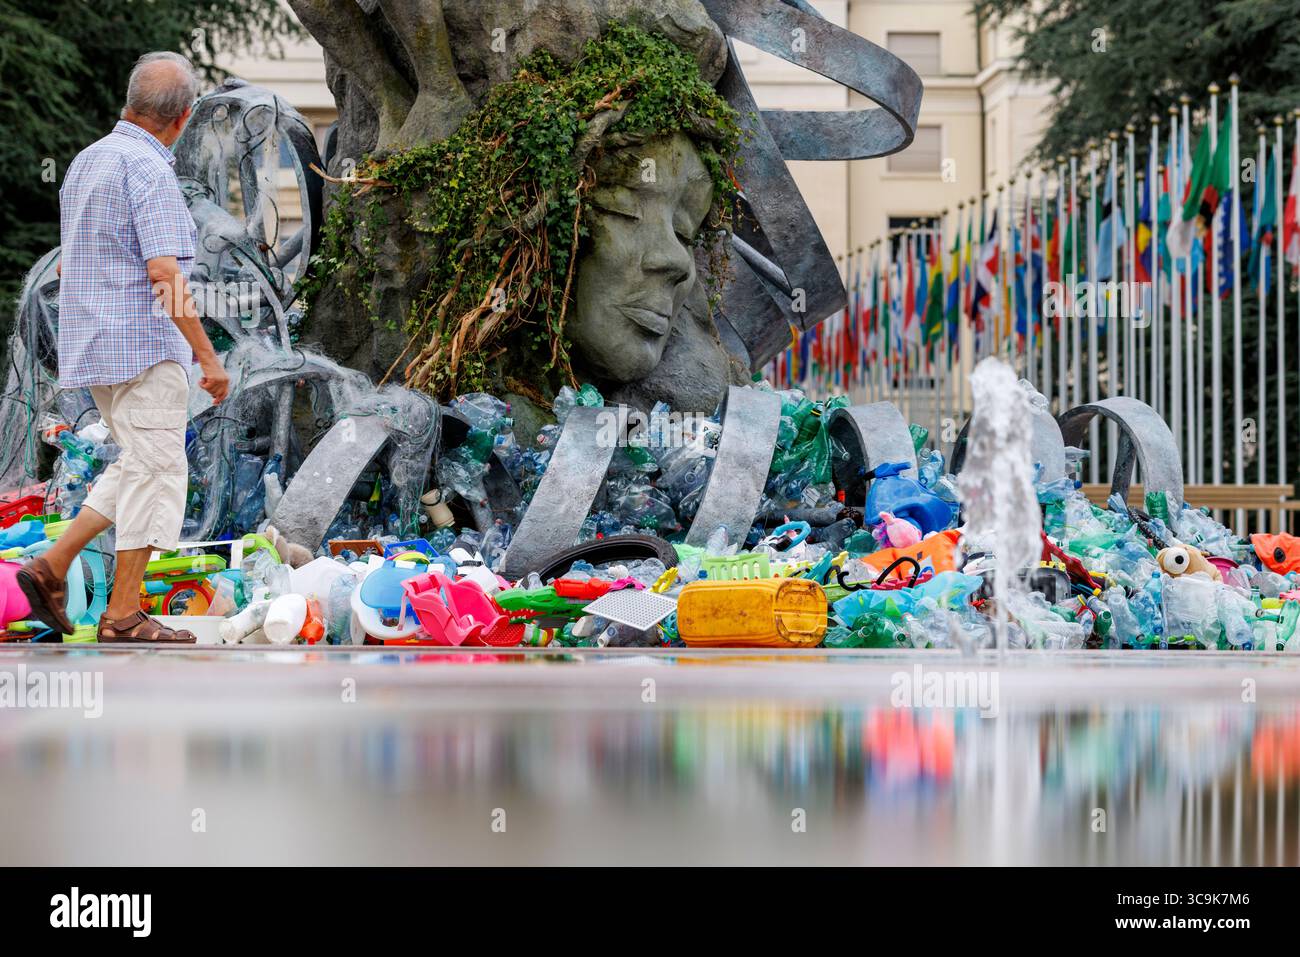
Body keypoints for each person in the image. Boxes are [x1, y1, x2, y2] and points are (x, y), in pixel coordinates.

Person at [17, 52, 230, 644]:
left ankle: (52, 566)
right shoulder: (150, 169)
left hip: (95, 347)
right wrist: (208, 359)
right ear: (183, 117)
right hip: (143, 347)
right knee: (159, 471)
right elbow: (164, 272)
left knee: (138, 464)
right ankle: (123, 613)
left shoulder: (88, 160)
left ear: (130, 101)